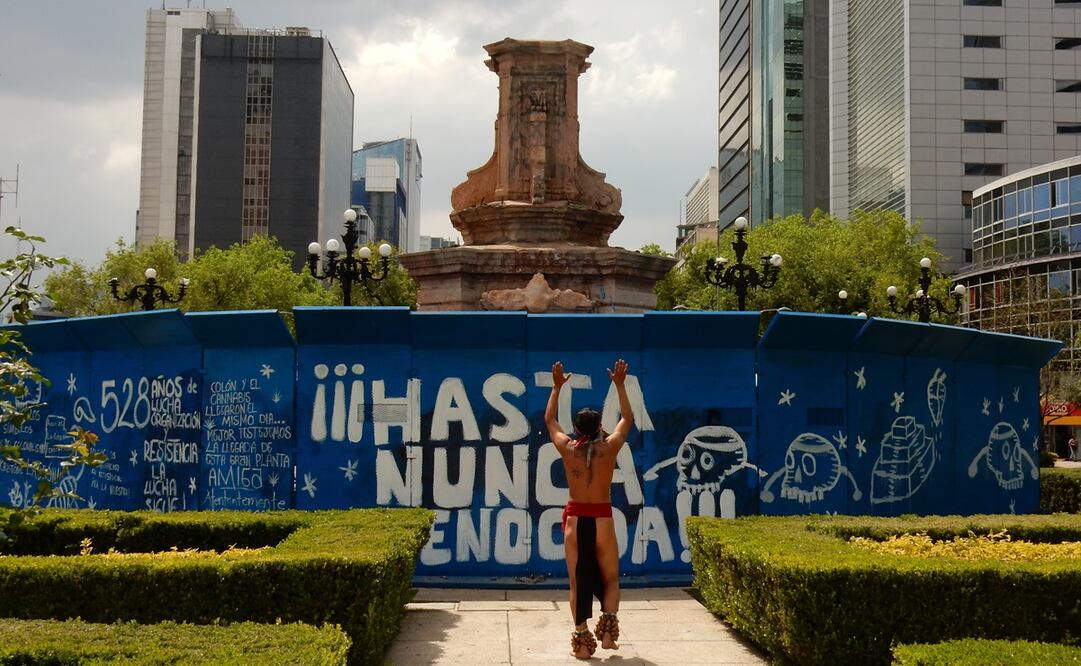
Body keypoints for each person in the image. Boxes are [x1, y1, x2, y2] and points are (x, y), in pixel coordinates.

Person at [545, 358, 634, 660]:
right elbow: (627, 419)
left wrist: (556, 388)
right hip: (602, 518)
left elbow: (549, 421)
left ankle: (582, 643)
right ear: (599, 426)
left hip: (576, 517)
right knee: (610, 577)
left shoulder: (568, 448)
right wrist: (620, 386)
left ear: (577, 428)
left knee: (577, 582)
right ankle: (607, 633)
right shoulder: (609, 447)